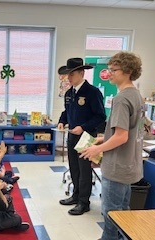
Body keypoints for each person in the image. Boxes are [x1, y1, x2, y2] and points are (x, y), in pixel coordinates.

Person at [80, 51, 144, 240]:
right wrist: (104, 138)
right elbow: (128, 132)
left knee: (111, 213)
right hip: (129, 165)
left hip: (117, 166)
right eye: (109, 69)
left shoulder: (122, 98)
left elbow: (122, 136)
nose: (109, 74)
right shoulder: (137, 95)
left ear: (128, 71)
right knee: (124, 212)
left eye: (114, 70)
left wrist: (96, 149)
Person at [58, 57, 106, 215]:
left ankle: (84, 202)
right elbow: (67, 111)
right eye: (68, 75)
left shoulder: (92, 92)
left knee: (84, 170)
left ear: (81, 73)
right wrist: (62, 121)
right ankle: (76, 195)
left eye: (71, 75)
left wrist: (83, 127)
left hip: (87, 137)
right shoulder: (69, 93)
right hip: (72, 136)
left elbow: (100, 116)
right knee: (74, 168)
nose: (69, 78)